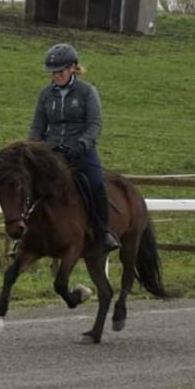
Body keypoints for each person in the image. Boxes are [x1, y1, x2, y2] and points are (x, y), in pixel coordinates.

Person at [28, 43, 119, 252]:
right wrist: (33, 149)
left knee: (96, 182)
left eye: (60, 71)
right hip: (52, 152)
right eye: (53, 72)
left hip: (80, 150)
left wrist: (82, 144)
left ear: (72, 67)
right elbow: (38, 127)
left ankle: (103, 231)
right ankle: (28, 234)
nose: (56, 76)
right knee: (30, 182)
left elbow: (95, 124)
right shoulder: (45, 95)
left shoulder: (87, 92)